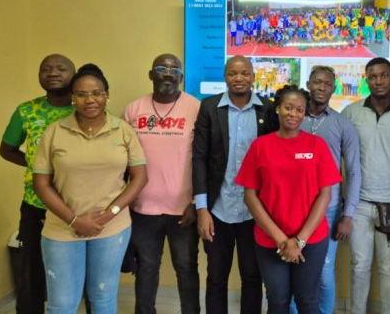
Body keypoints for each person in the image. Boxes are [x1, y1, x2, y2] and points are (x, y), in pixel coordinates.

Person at [32, 63, 148, 314]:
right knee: (62, 305)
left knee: (103, 298)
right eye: (82, 94)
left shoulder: (123, 130)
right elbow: (41, 184)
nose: (90, 100)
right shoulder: (54, 132)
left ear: (106, 95)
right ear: (73, 98)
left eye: (96, 93)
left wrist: (108, 215)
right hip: (62, 229)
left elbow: (139, 178)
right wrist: (74, 220)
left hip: (112, 228)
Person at [236, 85, 342, 314]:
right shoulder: (260, 146)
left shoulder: (317, 146)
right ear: (278, 109)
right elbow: (250, 196)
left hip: (311, 240)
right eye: (288, 107)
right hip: (270, 240)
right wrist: (282, 241)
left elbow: (325, 195)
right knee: (277, 300)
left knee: (307, 299)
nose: (293, 114)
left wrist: (299, 241)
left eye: (300, 110)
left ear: (305, 114)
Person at [192, 55, 273, 314]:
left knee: (253, 276)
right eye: (232, 73)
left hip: (254, 212)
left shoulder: (268, 110)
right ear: (225, 77)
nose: (239, 78)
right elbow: (199, 158)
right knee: (216, 277)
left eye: (244, 73)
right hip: (218, 210)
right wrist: (202, 209)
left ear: (253, 76)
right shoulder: (209, 107)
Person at [341, 57, 390, 314]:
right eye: (373, 76)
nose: (378, 81)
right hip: (358, 205)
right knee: (359, 266)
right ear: (366, 80)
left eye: (384, 75)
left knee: (389, 271)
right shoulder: (351, 113)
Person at [122, 54, 201, 314]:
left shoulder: (196, 108)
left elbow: (205, 159)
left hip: (184, 210)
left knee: (186, 268)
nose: (168, 73)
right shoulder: (133, 110)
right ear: (150, 74)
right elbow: (121, 160)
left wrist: (196, 203)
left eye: (174, 69)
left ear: (181, 76)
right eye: (161, 68)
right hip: (142, 208)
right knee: (146, 268)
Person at [0, 54, 76, 314]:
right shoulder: (26, 111)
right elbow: (7, 150)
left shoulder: (87, 109)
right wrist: (37, 168)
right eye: (46, 69)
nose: (53, 73)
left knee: (75, 268)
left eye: (61, 69)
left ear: (73, 75)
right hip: (36, 203)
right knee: (31, 267)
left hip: (77, 205)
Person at [289, 66, 362, 314]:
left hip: (328, 211)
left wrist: (347, 215)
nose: (322, 87)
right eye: (317, 82)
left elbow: (353, 171)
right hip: (292, 208)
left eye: (327, 83)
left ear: (334, 88)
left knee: (323, 272)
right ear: (308, 84)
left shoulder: (343, 125)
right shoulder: (293, 119)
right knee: (292, 267)